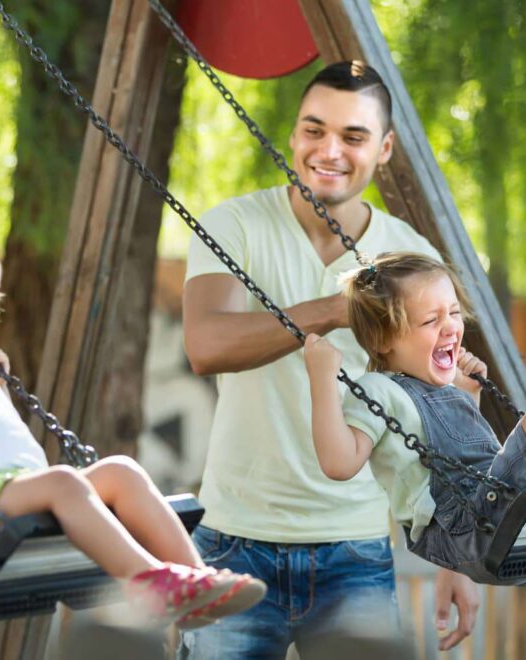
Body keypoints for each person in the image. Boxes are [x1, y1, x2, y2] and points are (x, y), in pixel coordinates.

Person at [180, 61, 479, 658]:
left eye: (354, 136)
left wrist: (460, 560)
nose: (329, 150)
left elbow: (437, 415)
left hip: (356, 550)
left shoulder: (411, 255)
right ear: (292, 134)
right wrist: (335, 309)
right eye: (313, 130)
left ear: (385, 147)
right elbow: (206, 346)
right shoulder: (233, 224)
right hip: (234, 541)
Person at [0, 225, 266, 629]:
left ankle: (195, 583)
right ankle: (151, 584)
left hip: (18, 488)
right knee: (63, 482)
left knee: (121, 471)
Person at [304, 252, 525, 583]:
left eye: (453, 312)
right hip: (460, 528)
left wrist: (467, 395)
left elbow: (466, 454)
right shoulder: (378, 389)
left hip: (489, 518)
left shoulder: (445, 386)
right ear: (383, 340)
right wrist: (321, 379)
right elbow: (339, 464)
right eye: (430, 321)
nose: (450, 325)